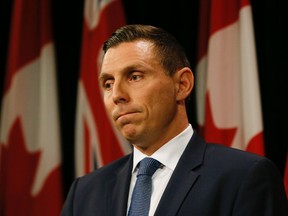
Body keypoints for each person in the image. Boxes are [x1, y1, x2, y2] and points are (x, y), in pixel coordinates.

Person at [61, 24, 288, 216]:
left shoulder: (243, 177)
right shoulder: (84, 193)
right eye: (108, 83)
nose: (117, 94)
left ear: (182, 85)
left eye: (135, 76)